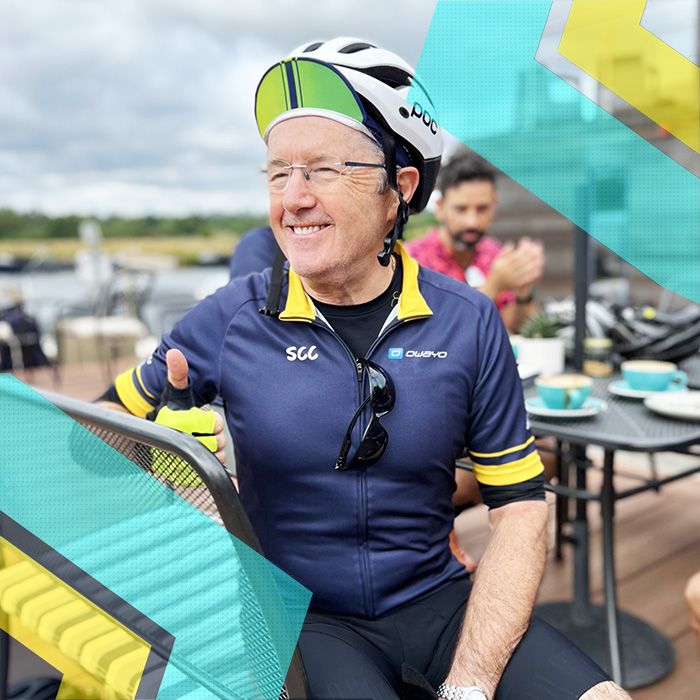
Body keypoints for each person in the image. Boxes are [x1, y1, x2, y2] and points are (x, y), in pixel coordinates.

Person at [99, 37, 629, 700]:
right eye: (276, 172)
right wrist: (160, 448)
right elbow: (93, 435)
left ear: (398, 190)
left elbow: (520, 504)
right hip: (302, 619)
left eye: (323, 170)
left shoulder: (468, 320)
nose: (291, 198)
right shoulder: (231, 317)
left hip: (440, 601)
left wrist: (471, 682)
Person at [405, 153, 544, 335]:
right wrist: (493, 286)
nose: (472, 222)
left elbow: (514, 328)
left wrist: (523, 292)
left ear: (494, 206)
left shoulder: (495, 254)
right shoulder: (413, 261)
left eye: (482, 209)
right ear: (440, 207)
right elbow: (435, 336)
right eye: (461, 209)